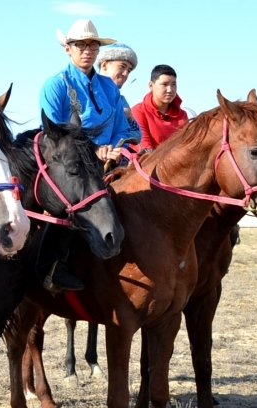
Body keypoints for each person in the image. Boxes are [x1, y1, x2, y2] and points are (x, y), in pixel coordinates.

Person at [37, 19, 135, 292]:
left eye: (92, 45)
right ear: (68, 49)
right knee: (76, 197)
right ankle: (51, 266)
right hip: (69, 163)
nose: (87, 50)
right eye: (80, 45)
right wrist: (92, 151)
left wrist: (115, 147)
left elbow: (122, 127)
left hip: (113, 160)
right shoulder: (55, 85)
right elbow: (53, 135)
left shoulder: (109, 87)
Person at [132, 64, 189, 150]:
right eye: (164, 84)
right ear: (151, 86)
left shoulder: (182, 115)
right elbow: (144, 149)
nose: (170, 90)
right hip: (147, 162)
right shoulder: (138, 111)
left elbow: (185, 146)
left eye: (173, 84)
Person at [96, 42, 142, 145]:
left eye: (129, 70)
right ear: (104, 65)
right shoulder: (86, 93)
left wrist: (129, 119)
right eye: (122, 66)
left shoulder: (121, 100)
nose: (125, 74)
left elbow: (137, 135)